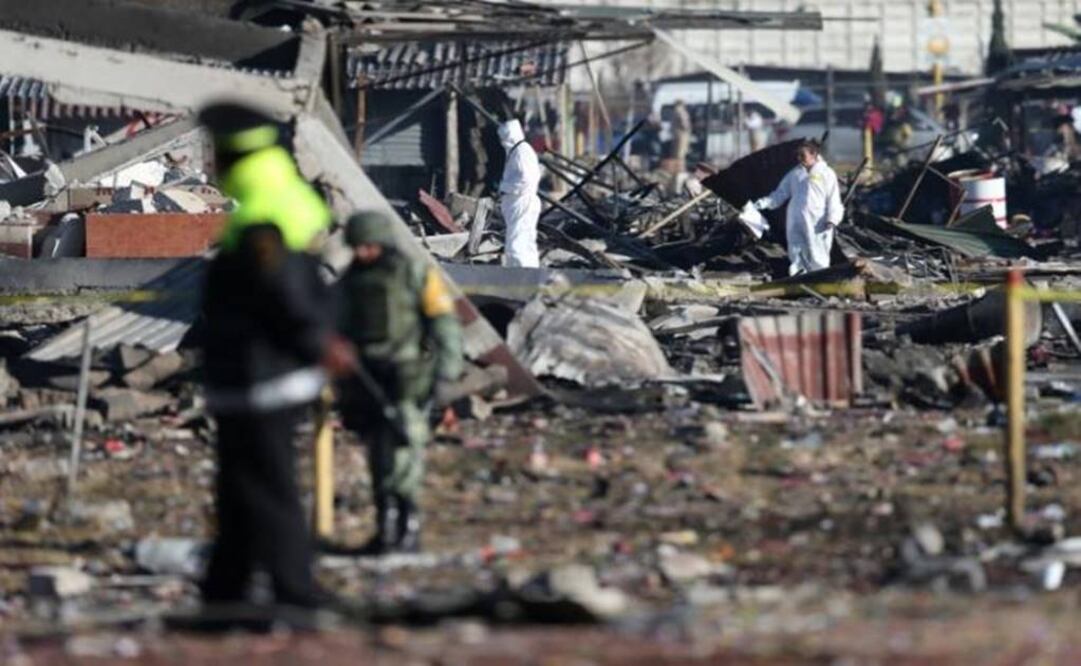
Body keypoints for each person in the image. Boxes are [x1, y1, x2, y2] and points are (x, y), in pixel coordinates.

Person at [197, 102, 357, 610]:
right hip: (253, 375)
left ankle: (293, 589)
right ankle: (228, 587)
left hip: (257, 375)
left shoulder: (260, 216)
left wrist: (316, 343)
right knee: (243, 486)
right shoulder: (271, 197)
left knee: (266, 486)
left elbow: (280, 292)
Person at [336, 211, 463, 555]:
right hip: (365, 377)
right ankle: (386, 528)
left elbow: (444, 324)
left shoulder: (414, 272)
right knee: (378, 456)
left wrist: (446, 374)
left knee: (404, 452)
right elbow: (336, 327)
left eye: (368, 246)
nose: (362, 253)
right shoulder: (350, 281)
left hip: (406, 375)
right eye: (357, 247)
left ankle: (408, 527)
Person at [754, 139, 844, 276]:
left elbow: (834, 199)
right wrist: (763, 203)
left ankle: (820, 276)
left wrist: (832, 219)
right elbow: (780, 193)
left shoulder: (826, 173)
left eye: (803, 155)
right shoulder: (795, 174)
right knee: (796, 249)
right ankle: (798, 276)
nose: (799, 159)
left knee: (818, 250)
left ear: (813, 154)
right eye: (798, 155)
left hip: (818, 221)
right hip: (795, 219)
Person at [498, 118, 541, 268]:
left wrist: (505, 187)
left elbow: (526, 179)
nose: (502, 141)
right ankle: (528, 269)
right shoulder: (517, 151)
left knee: (516, 242)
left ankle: (519, 272)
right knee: (524, 239)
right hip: (519, 202)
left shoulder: (521, 151)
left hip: (521, 201)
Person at [671, 99, 692, 169]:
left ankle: (676, 169)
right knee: (681, 154)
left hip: (676, 134)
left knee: (676, 153)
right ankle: (680, 169)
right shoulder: (681, 111)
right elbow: (684, 124)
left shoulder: (675, 111)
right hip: (682, 134)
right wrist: (689, 129)